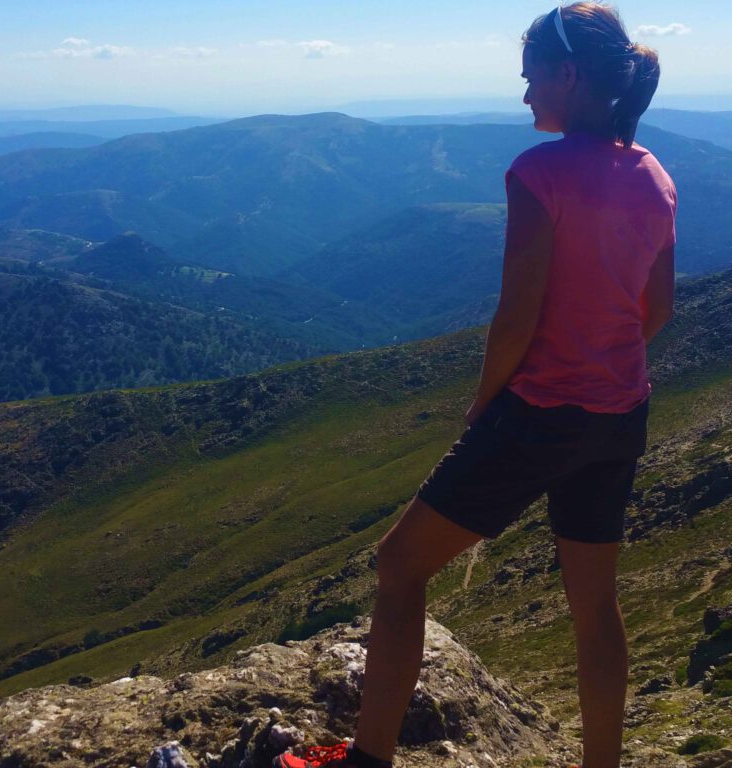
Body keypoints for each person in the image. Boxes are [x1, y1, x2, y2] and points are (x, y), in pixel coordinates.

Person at [274, 3, 677, 768]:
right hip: (621, 412)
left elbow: (515, 315)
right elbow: (656, 309)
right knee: (595, 604)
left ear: (567, 75)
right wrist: (603, 364)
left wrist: (488, 401)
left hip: (539, 411)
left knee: (399, 566)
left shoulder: (540, 171)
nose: (525, 96)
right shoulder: (654, 175)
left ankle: (368, 759)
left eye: (531, 80)